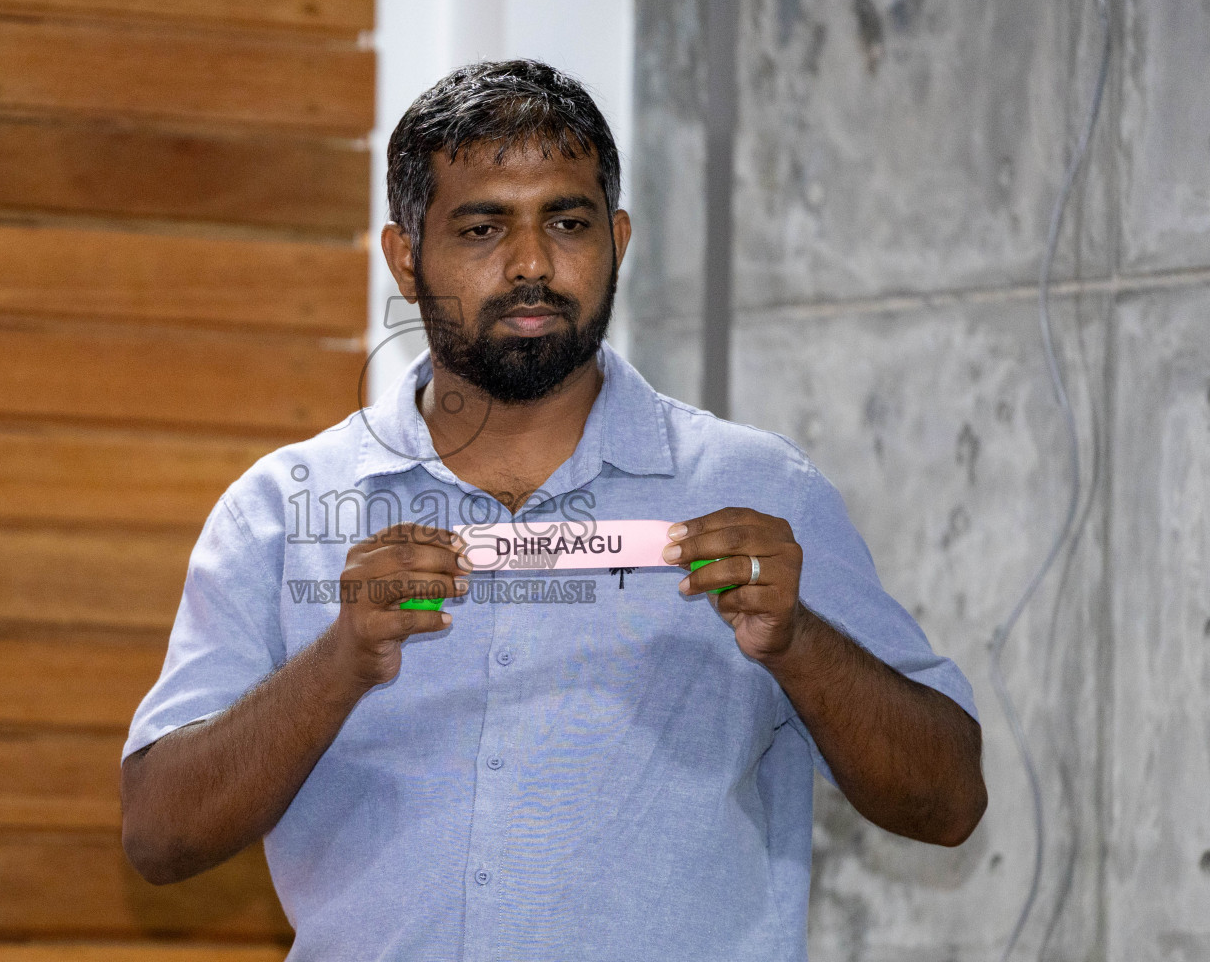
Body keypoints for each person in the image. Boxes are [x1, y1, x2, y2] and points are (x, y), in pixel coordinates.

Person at [120, 60, 986, 960]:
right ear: (406, 258)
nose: (532, 264)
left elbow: (950, 802)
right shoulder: (281, 511)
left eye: (567, 223)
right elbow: (159, 837)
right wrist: (339, 662)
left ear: (617, 240)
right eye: (483, 226)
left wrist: (799, 640)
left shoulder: (762, 489)